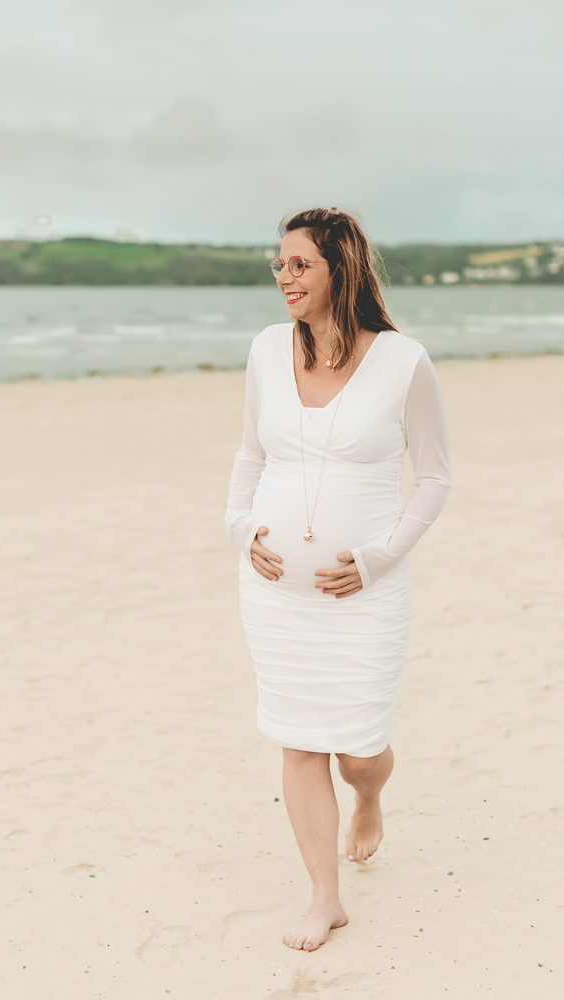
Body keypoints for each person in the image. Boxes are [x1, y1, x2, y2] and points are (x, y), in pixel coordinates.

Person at [224, 208, 451, 952]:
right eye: (279, 263)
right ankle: (326, 897)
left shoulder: (403, 361)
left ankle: (369, 796)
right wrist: (239, 528)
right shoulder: (266, 349)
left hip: (365, 596)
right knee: (297, 742)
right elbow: (250, 455)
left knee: (357, 750)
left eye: (299, 264)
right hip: (273, 594)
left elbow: (434, 479)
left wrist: (380, 557)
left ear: (340, 269)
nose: (283, 276)